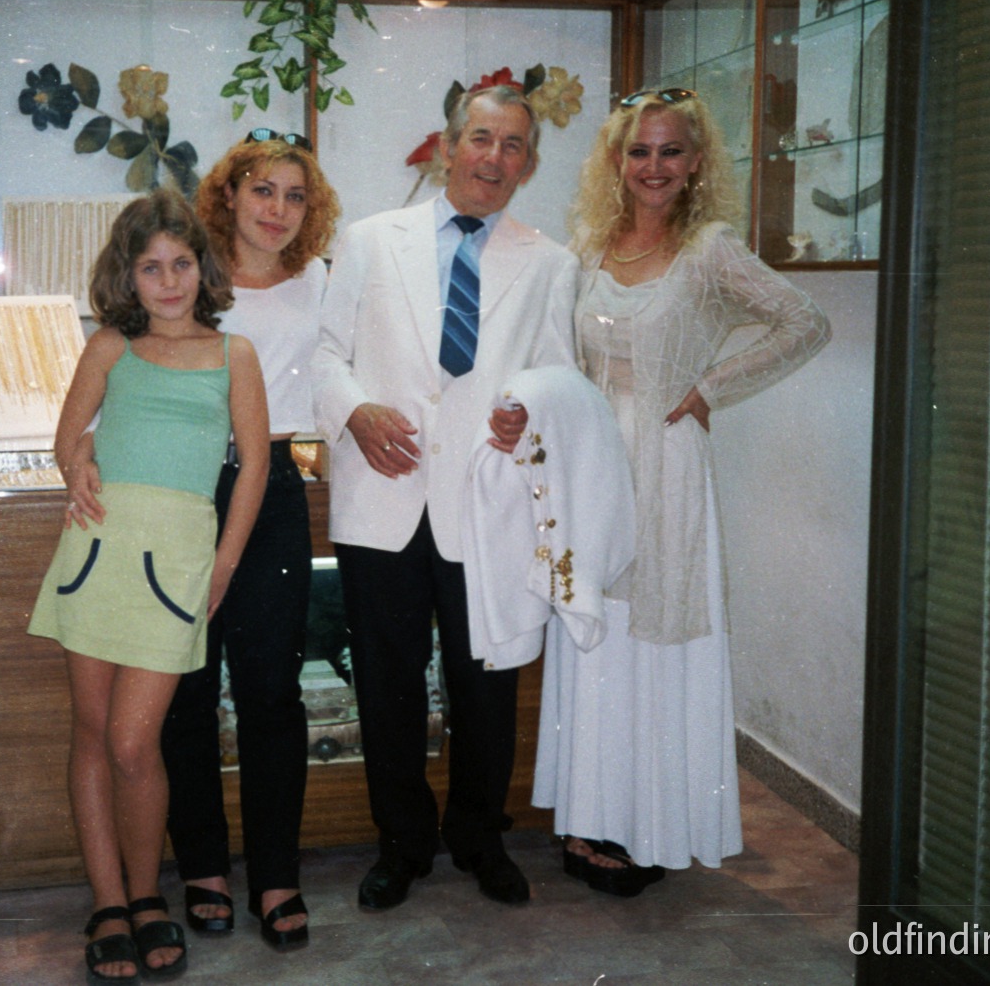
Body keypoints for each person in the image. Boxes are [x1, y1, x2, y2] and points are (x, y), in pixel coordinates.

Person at [503, 87, 831, 894]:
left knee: (651, 642)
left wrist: (709, 388)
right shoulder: (587, 244)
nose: (653, 167)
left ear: (694, 162)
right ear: (615, 160)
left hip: (665, 467)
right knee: (593, 638)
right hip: (587, 462)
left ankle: (649, 825)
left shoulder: (709, 246)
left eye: (670, 151)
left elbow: (803, 321)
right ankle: (588, 817)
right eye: (638, 151)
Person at [313, 84, 579, 910]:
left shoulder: (550, 260)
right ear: (447, 146)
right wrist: (353, 411)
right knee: (387, 684)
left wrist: (526, 414)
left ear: (528, 164)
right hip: (380, 496)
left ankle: (477, 835)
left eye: (512, 147)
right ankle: (402, 843)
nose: (493, 159)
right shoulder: (366, 239)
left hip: (485, 502)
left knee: (484, 686)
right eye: (480, 139)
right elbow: (324, 352)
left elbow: (559, 374)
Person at [73, 132, 340, 951]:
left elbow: (342, 369)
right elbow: (97, 407)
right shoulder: (185, 272)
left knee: (270, 690)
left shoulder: (323, 281)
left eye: (296, 197)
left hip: (267, 490)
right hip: (178, 492)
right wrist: (78, 458)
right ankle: (201, 869)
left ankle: (276, 875)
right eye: (264, 190)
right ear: (227, 195)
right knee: (182, 696)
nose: (278, 210)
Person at [27, 189, 269, 983]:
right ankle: (113, 903)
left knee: (136, 741)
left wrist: (226, 562)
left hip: (180, 560)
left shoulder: (235, 355)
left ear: (202, 267)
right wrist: (81, 462)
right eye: (150, 267)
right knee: (92, 733)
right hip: (98, 548)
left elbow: (255, 467)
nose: (168, 281)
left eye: (180, 263)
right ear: (128, 279)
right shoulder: (109, 346)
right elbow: (68, 439)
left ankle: (146, 890)